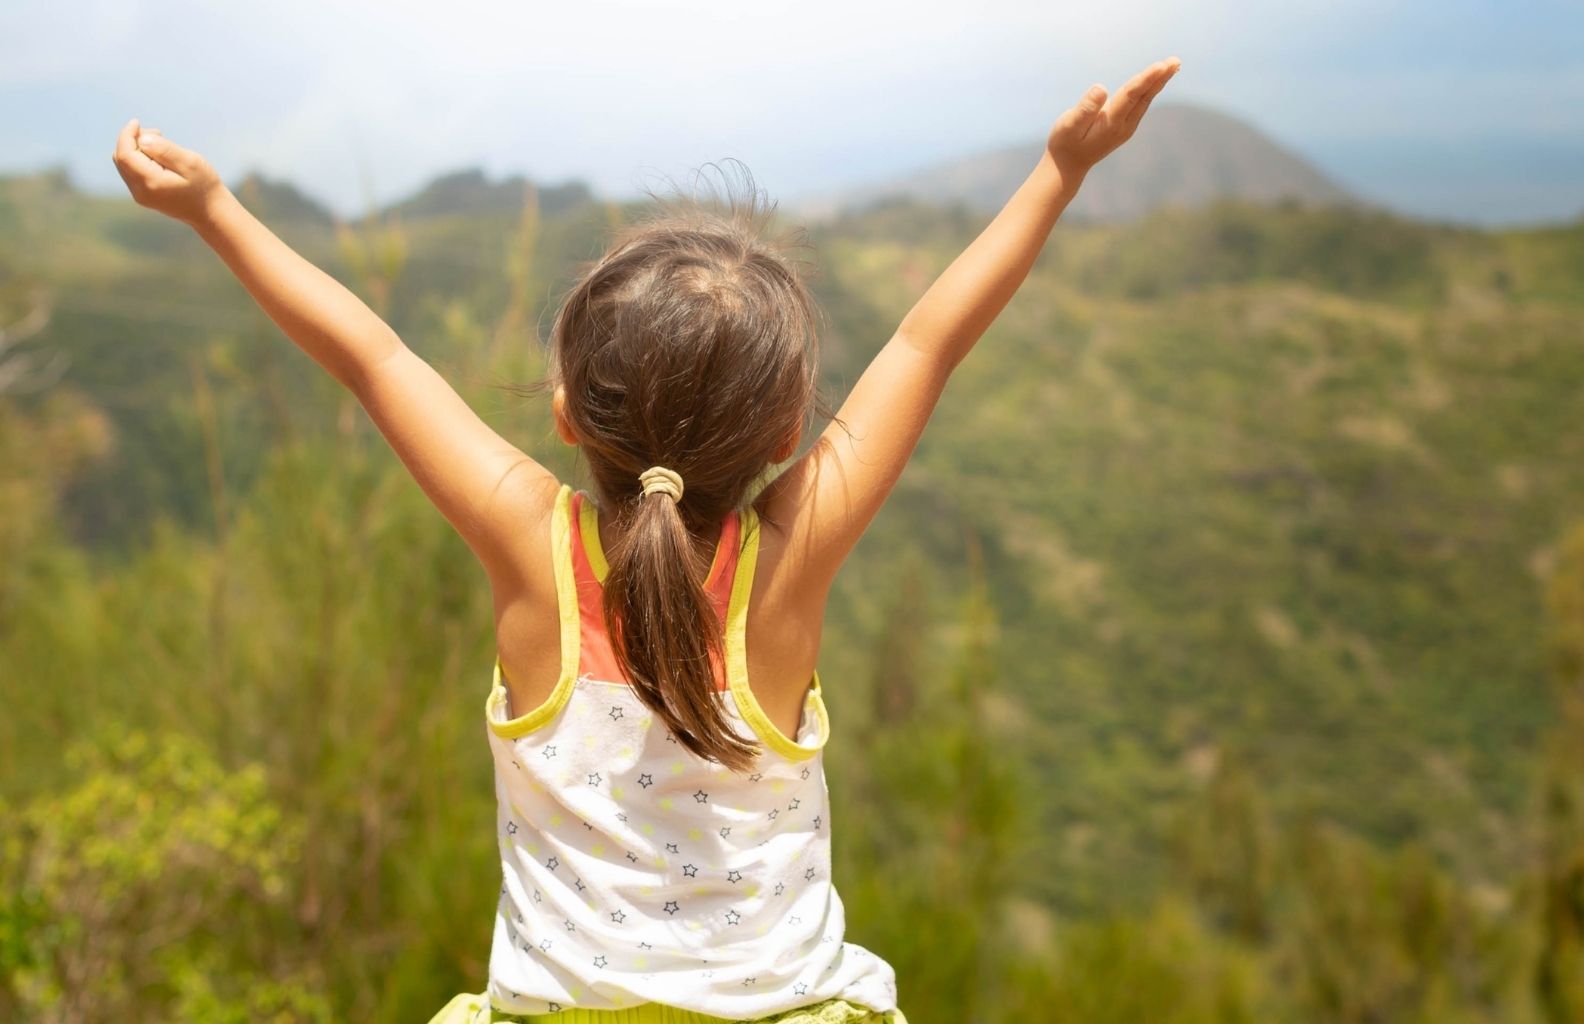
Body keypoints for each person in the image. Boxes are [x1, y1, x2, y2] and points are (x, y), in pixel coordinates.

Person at [112, 54, 1180, 1023]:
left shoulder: (530, 543)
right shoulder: (786, 561)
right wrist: (1059, 173)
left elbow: (372, 357)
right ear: (785, 431)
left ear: (567, 412)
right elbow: (925, 343)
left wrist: (215, 211)